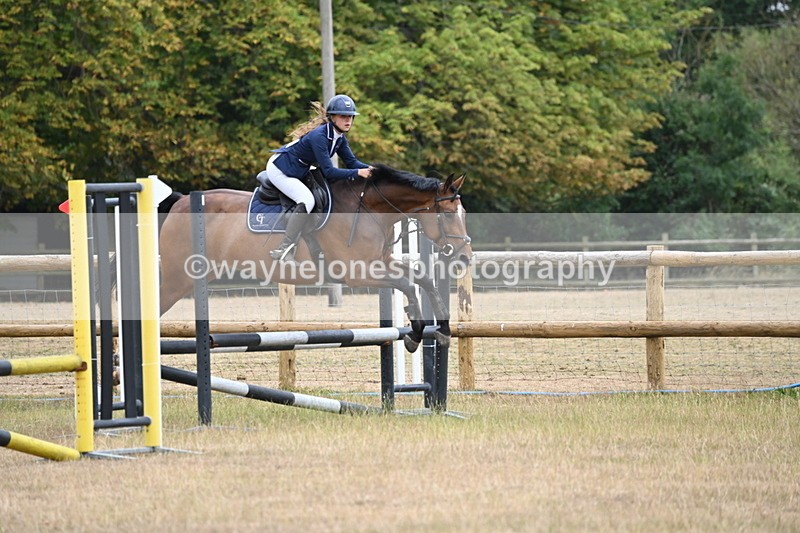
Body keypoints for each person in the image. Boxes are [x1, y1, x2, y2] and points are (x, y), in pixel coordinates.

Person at [260, 94, 373, 264]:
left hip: (299, 168)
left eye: (350, 116)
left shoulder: (339, 138)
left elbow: (352, 162)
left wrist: (374, 170)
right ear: (332, 118)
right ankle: (284, 248)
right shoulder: (320, 136)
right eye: (343, 116)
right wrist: (358, 173)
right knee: (307, 200)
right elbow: (329, 171)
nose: (348, 120)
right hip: (280, 169)